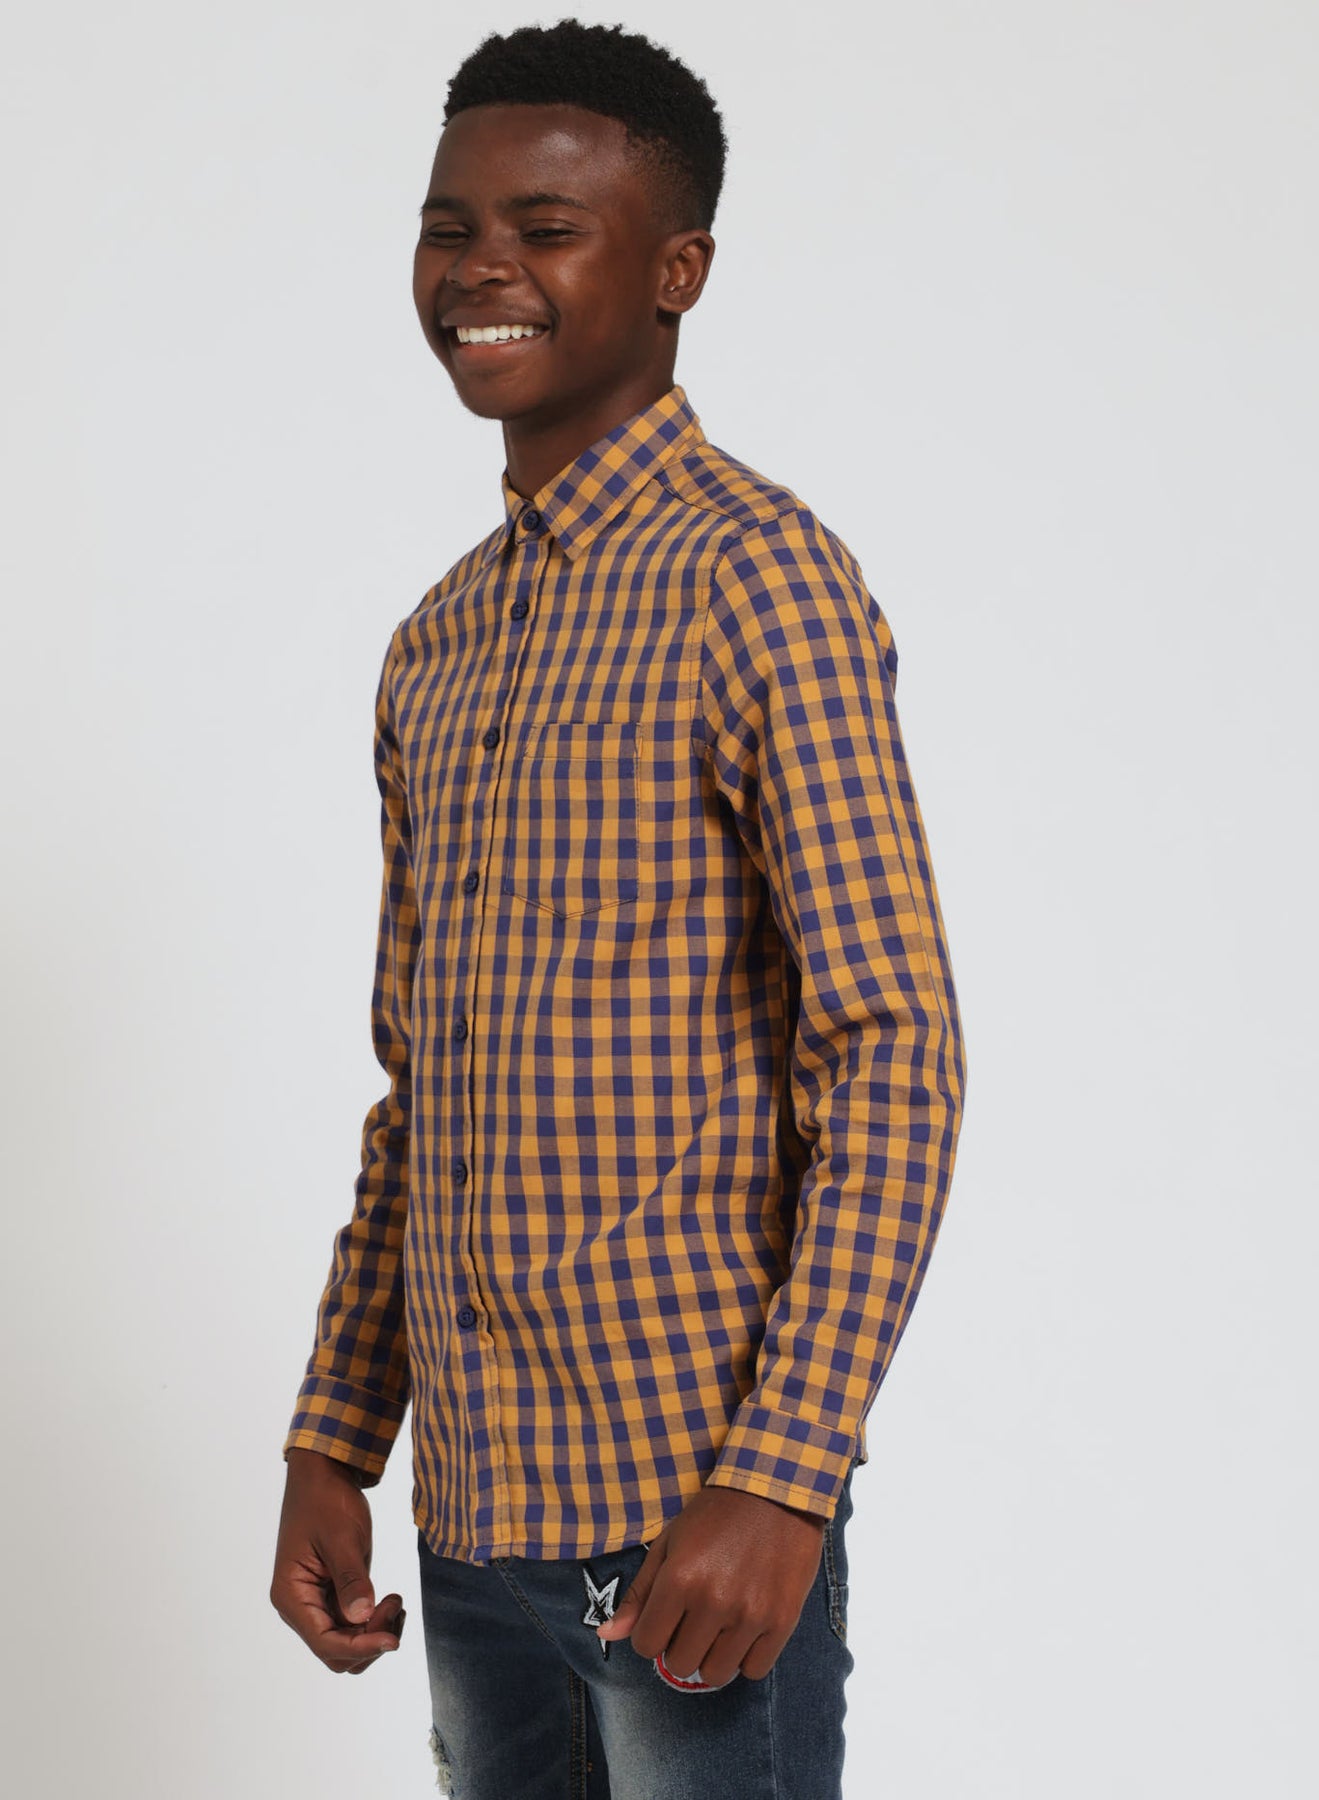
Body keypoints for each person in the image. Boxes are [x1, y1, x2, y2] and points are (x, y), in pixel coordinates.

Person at [270, 17, 966, 1798]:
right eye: (448, 227)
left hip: (687, 1519)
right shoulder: (434, 646)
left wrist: (782, 1479)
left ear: (677, 271)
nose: (479, 268)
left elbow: (891, 1051)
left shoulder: (760, 579)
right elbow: (423, 1088)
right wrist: (336, 1438)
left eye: (545, 227)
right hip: (474, 1528)